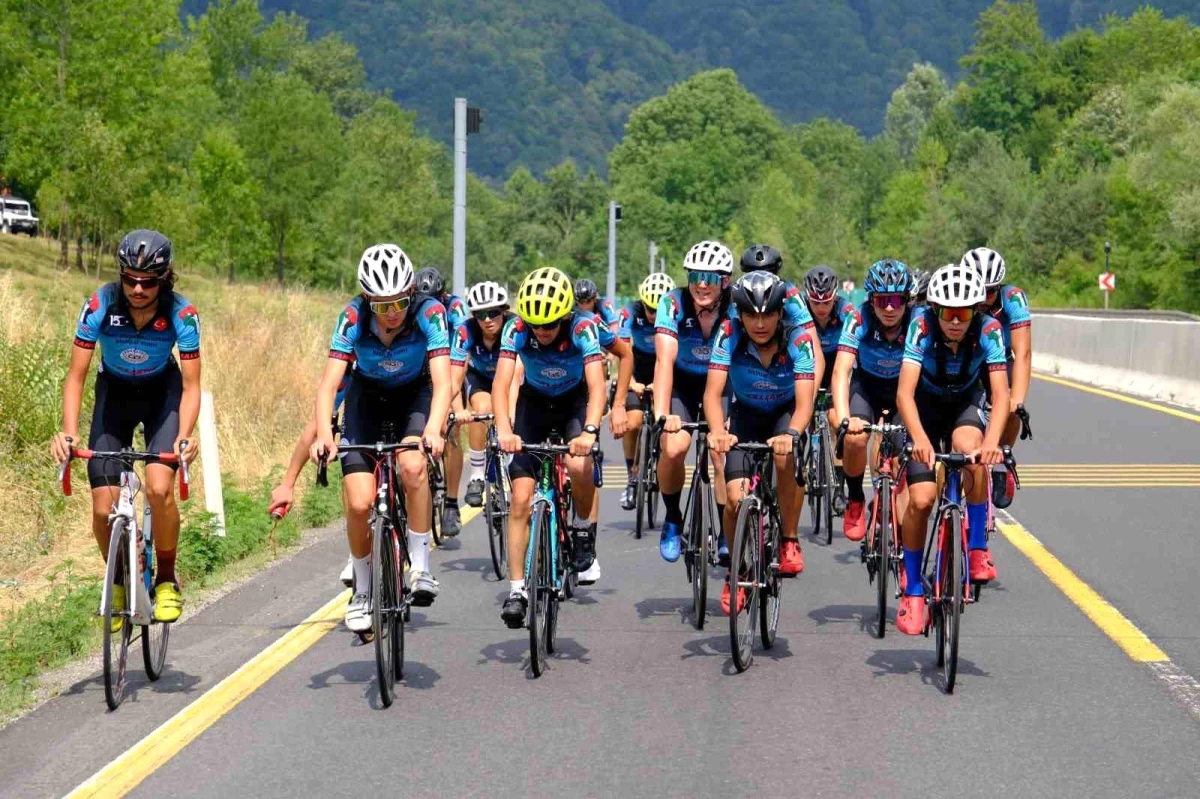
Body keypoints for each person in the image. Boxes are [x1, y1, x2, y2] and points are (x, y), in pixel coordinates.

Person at [51, 229, 200, 627]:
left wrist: (185, 435)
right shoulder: (100, 304)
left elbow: (191, 385)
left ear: (164, 279)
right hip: (113, 394)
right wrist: (68, 432)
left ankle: (167, 578)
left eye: (148, 281)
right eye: (129, 278)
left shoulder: (182, 314)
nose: (137, 288)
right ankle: (117, 578)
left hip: (161, 396)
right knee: (103, 507)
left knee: (158, 487)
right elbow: (76, 376)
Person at [311, 245, 452, 632]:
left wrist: (434, 430)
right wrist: (325, 433)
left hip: (414, 396)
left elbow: (442, 383)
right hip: (366, 400)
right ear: (367, 300)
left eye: (401, 302)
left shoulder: (430, 313)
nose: (393, 313)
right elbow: (328, 387)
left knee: (412, 463)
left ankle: (420, 567)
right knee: (358, 503)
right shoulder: (352, 317)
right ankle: (362, 588)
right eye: (383, 305)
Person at [894, 263, 1009, 635]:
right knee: (923, 499)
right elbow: (904, 394)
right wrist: (921, 440)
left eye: (963, 313)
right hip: (923, 407)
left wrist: (993, 443)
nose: (955, 322)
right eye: (947, 313)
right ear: (934, 310)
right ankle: (912, 589)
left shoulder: (989, 330)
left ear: (975, 310)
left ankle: (975, 547)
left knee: (970, 450)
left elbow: (1001, 394)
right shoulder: (920, 326)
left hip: (964, 404)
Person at [494, 268, 608, 627]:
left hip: (574, 403)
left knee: (578, 465)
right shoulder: (515, 330)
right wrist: (503, 429)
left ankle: (582, 530)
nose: (541, 332)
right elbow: (500, 384)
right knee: (520, 498)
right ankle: (517, 590)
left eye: (550, 325)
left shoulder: (582, 329)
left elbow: (597, 386)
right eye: (535, 325)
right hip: (534, 405)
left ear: (565, 317)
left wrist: (589, 432)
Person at [706, 272, 815, 613]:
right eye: (751, 315)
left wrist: (792, 434)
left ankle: (789, 538)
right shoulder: (728, 334)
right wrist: (718, 432)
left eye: (767, 314)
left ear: (781, 313)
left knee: (786, 460)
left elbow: (805, 403)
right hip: (746, 417)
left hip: (785, 414)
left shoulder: (799, 339)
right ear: (739, 315)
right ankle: (735, 571)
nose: (760, 322)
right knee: (735, 499)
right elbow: (712, 394)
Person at [653, 241, 735, 566]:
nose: (702, 283)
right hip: (683, 386)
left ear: (724, 282)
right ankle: (673, 519)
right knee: (673, 448)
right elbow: (664, 361)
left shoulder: (734, 307)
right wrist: (661, 414)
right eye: (696, 275)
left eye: (711, 277)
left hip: (725, 386)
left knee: (722, 454)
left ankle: (726, 530)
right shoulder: (672, 304)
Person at [832, 258, 912, 542]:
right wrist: (844, 419)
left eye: (897, 300)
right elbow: (841, 370)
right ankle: (855, 497)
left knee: (910, 449)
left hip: (905, 390)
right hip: (866, 386)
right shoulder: (858, 318)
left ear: (907, 300)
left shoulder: (918, 321)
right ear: (871, 300)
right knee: (854, 439)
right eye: (881, 300)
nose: (889, 308)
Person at [961, 246, 1030, 503]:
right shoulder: (959, 295)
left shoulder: (1013, 298)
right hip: (968, 361)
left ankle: (1002, 463)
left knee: (1012, 406)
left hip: (1001, 359)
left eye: (991, 291)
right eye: (979, 289)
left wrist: (1018, 400)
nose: (984, 298)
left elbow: (1022, 352)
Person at [415, 266, 469, 537]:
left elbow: (461, 345)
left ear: (444, 295)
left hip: (452, 363)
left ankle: (451, 503)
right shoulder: (413, 309)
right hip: (423, 367)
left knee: (451, 431)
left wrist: (453, 400)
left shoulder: (455, 307)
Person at [451, 281, 514, 509]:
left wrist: (511, 415)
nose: (487, 319)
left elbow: (516, 376)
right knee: (482, 410)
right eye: (480, 314)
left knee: (511, 415)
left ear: (504, 311)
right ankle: (477, 475)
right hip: (480, 378)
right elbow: (454, 377)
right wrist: (458, 410)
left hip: (510, 379)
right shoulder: (465, 331)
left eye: (493, 313)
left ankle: (509, 466)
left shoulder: (514, 327)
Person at [616, 272, 675, 510]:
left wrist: (661, 384)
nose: (654, 316)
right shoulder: (630, 313)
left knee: (665, 426)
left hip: (665, 368)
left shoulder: (674, 315)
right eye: (650, 310)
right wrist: (630, 382)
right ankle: (632, 477)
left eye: (658, 310)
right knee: (633, 422)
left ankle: (659, 463)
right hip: (637, 369)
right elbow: (621, 353)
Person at [802, 264, 855, 511]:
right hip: (808, 367)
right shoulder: (799, 311)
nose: (821, 309)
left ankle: (839, 484)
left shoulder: (846, 312)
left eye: (826, 303)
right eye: (815, 303)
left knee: (836, 423)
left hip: (837, 368)